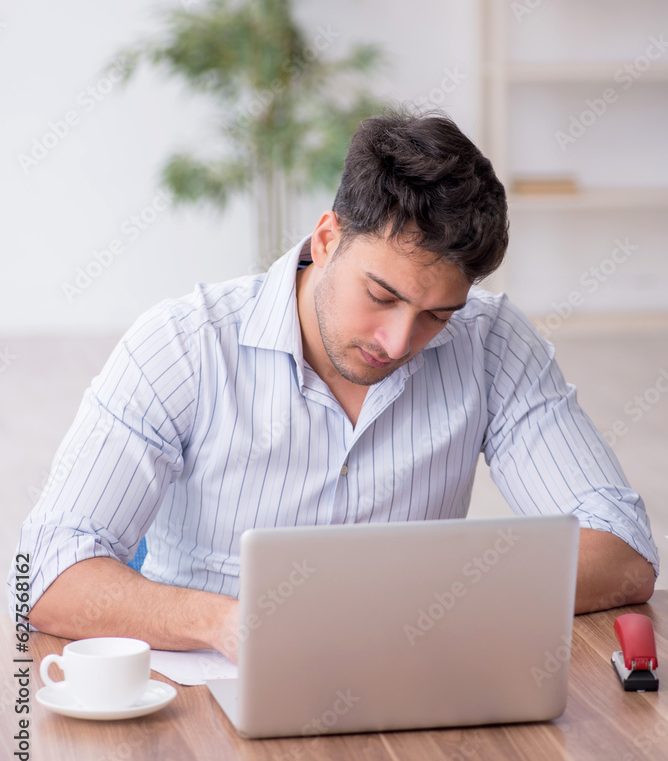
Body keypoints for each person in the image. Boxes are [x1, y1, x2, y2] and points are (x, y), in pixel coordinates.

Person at [10, 109, 658, 663]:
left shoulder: (489, 341)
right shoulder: (182, 346)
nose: (399, 342)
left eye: (436, 315)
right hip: (211, 695)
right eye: (382, 295)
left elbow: (623, 553)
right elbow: (43, 574)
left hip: (408, 690)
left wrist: (427, 601)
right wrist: (227, 624)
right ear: (327, 239)